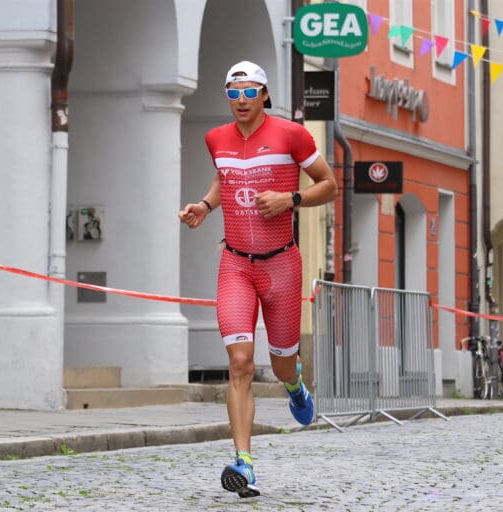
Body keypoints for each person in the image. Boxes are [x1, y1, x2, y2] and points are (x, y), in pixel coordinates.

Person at [178, 60, 337, 498]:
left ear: (265, 94)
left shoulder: (291, 134)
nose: (242, 100)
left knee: (281, 361)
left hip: (282, 265)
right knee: (240, 363)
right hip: (235, 263)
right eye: (233, 93)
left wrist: (291, 198)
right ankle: (244, 463)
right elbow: (223, 177)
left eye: (250, 92)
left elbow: (329, 183)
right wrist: (206, 206)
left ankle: (293, 384)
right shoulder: (216, 138)